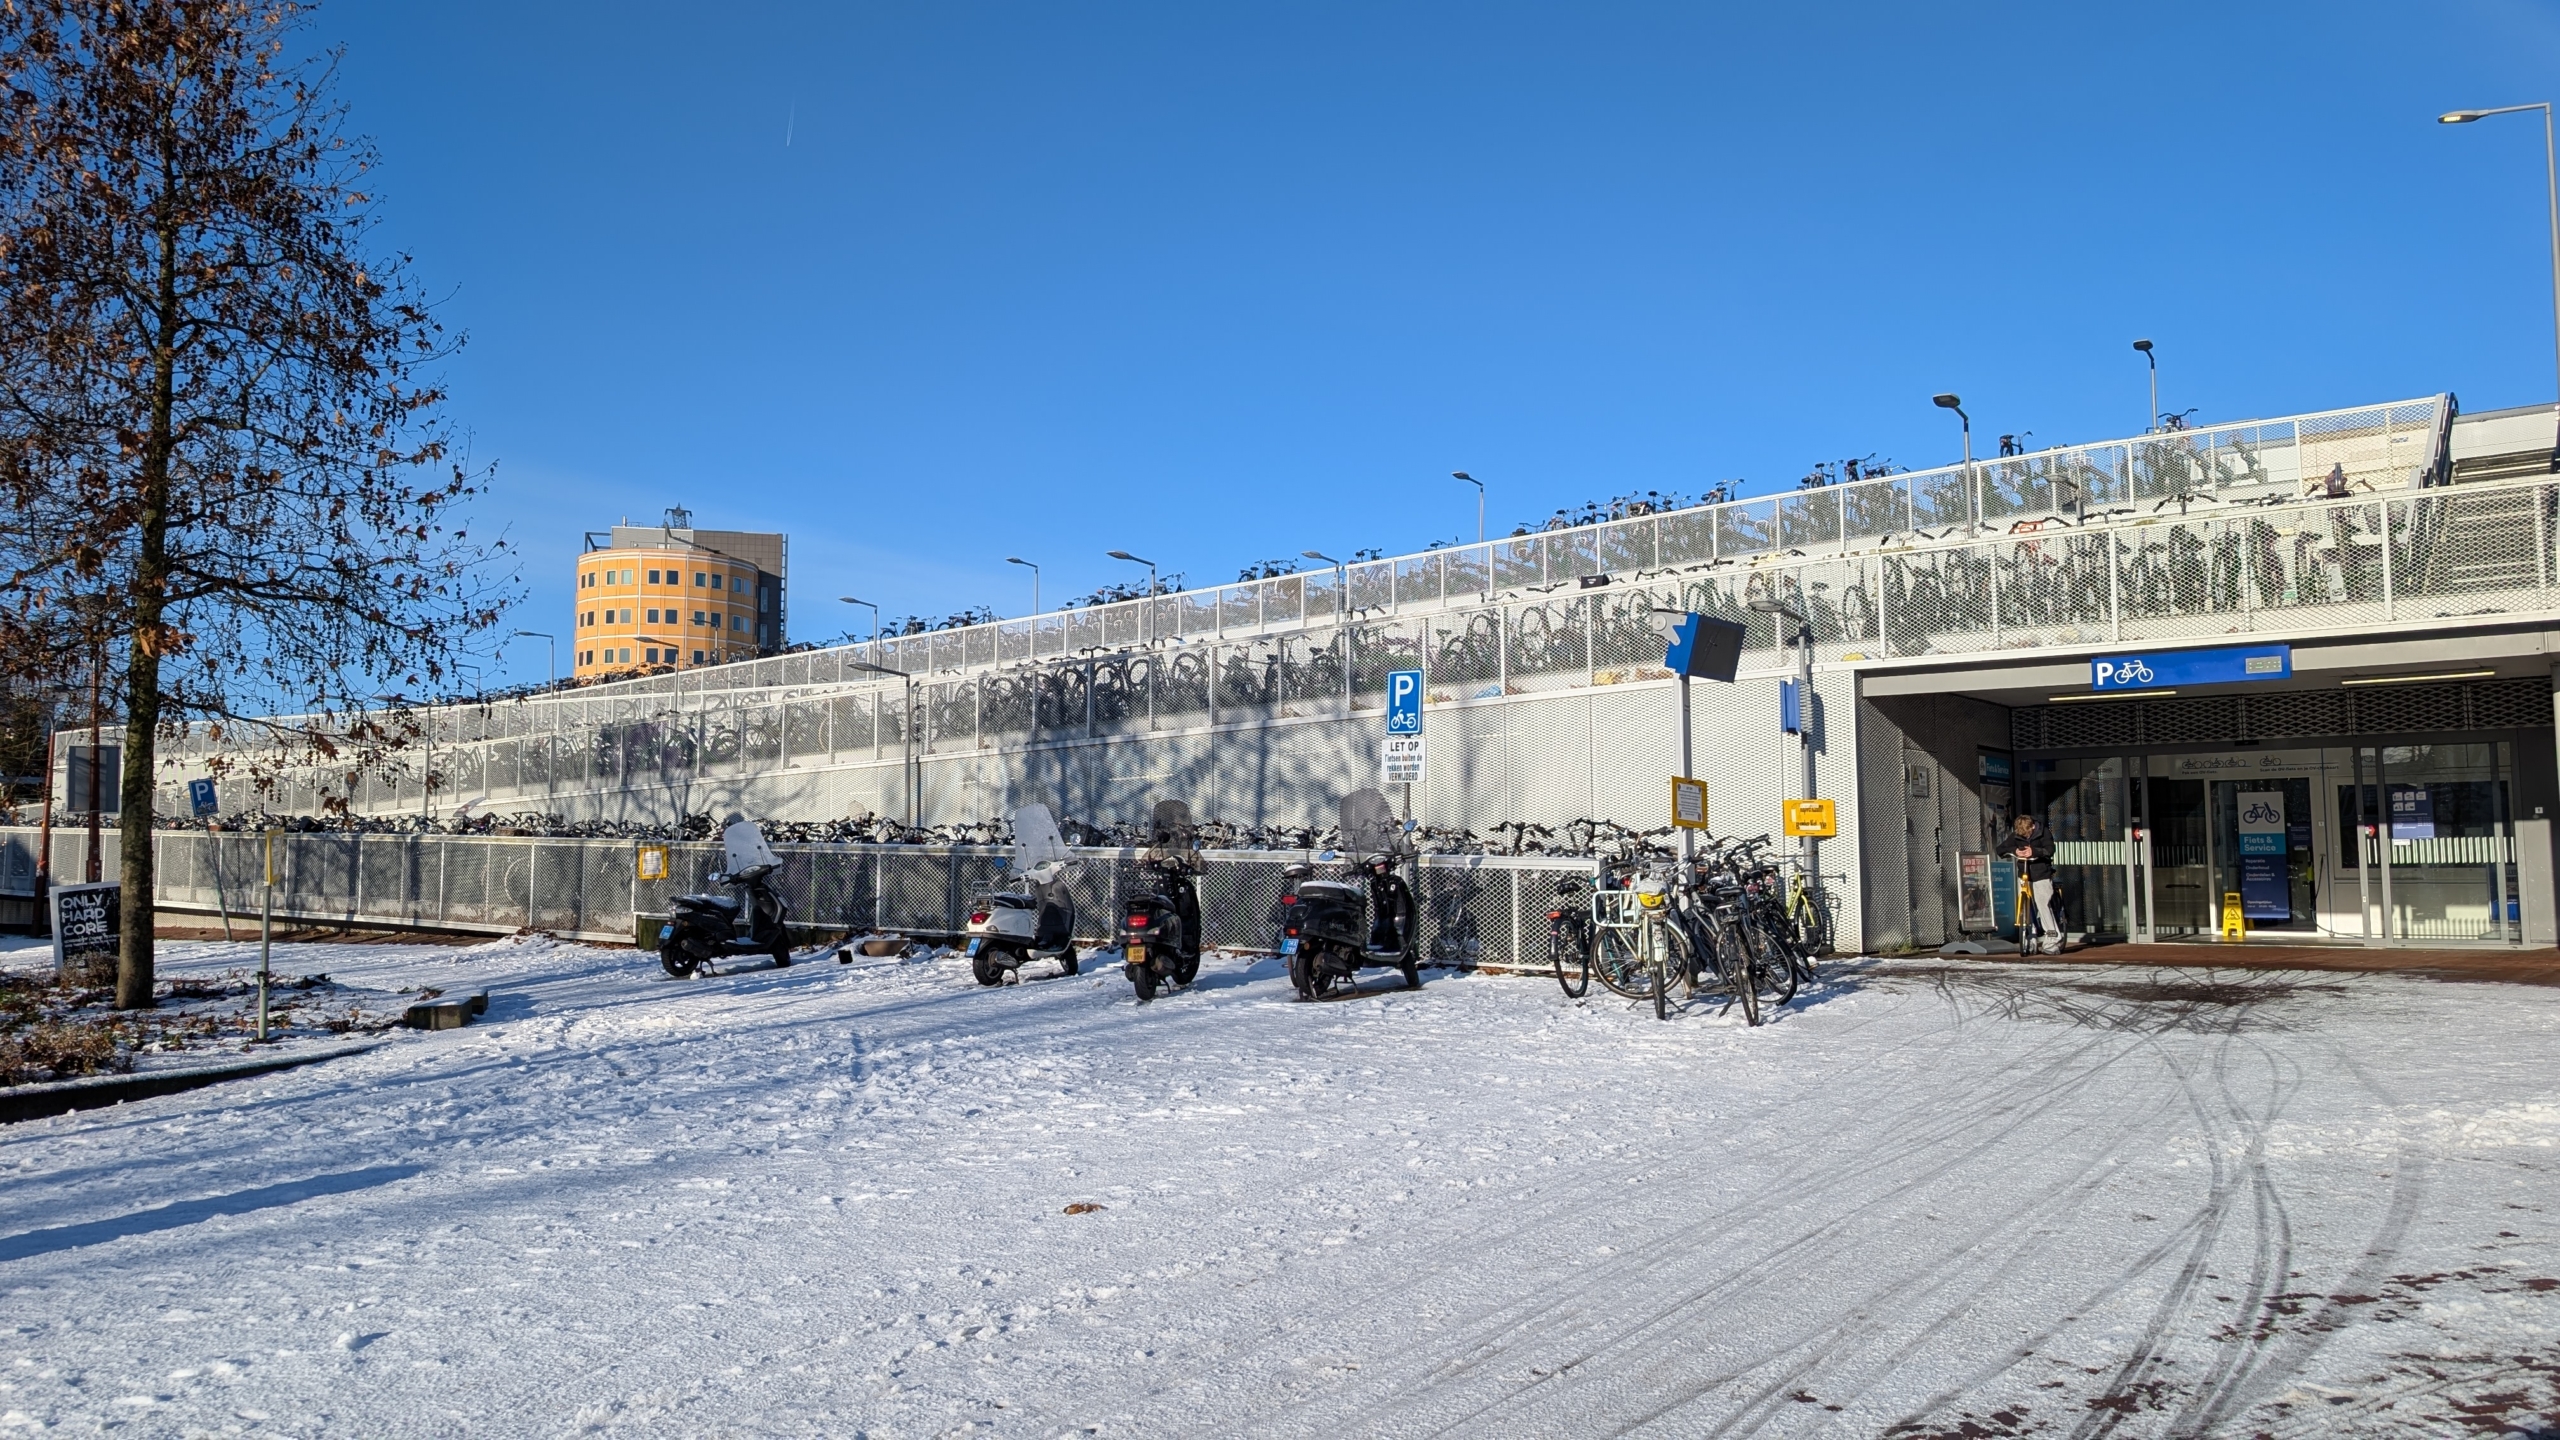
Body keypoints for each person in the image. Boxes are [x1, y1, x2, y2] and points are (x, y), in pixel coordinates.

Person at [2008, 813, 2063, 955]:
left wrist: (2034, 851)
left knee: (2042, 903)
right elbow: (2001, 848)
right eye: (2023, 836)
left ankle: (2053, 939)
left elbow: (2050, 850)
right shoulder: (2017, 834)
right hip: (2024, 874)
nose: (2025, 837)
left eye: (2028, 834)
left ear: (2033, 826)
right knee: (2026, 904)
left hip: (2041, 874)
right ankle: (2030, 938)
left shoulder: (2043, 832)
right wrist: (2015, 851)